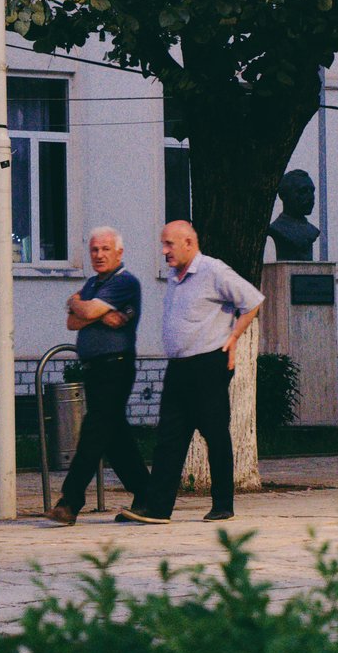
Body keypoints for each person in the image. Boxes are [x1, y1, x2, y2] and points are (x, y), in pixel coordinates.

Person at [119, 221, 263, 525]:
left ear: (188, 242)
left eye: (169, 244)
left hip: (208, 365)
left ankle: (223, 504)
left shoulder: (213, 271)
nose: (164, 251)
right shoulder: (174, 277)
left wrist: (234, 338)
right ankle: (158, 508)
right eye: (163, 244)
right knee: (169, 438)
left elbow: (252, 301)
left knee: (215, 434)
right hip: (179, 368)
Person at [47, 228, 150, 525]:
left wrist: (85, 307)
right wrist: (96, 312)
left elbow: (84, 309)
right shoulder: (93, 282)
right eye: (94, 250)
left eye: (105, 249)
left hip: (115, 365)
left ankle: (70, 501)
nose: (99, 255)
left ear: (119, 253)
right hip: (94, 368)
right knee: (114, 437)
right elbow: (72, 321)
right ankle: (146, 493)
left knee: (94, 430)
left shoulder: (125, 282)